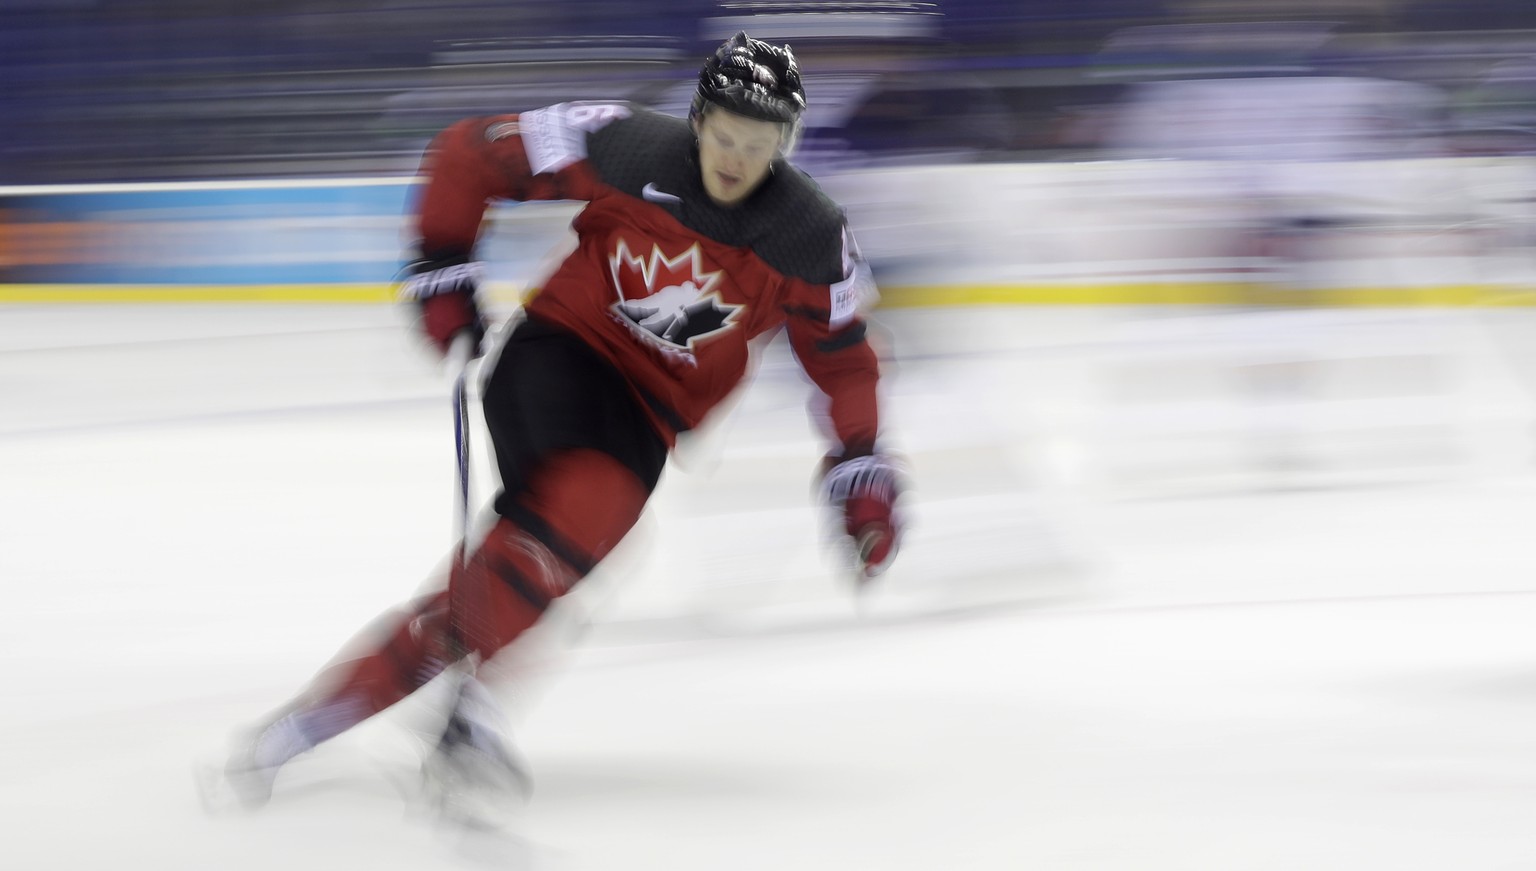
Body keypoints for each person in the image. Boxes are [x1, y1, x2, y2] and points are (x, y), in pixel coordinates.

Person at [214, 32, 904, 813]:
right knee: (579, 515)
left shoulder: (812, 236)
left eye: (758, 142)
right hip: (559, 359)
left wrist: (860, 467)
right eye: (723, 135)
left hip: (645, 422)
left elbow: (842, 359)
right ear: (698, 117)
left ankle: (333, 718)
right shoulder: (628, 143)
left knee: (536, 560)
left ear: (785, 143)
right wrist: (443, 263)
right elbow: (470, 151)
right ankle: (460, 717)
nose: (736, 157)